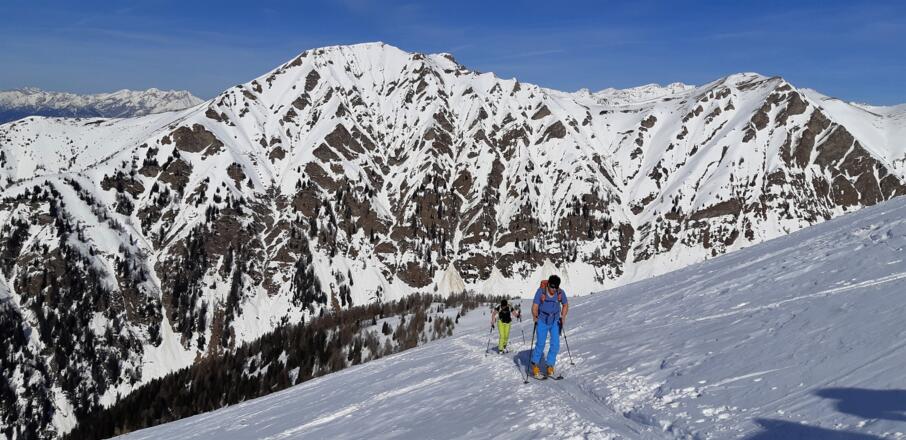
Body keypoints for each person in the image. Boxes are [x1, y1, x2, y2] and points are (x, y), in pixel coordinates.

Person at [531, 275, 568, 379]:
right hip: (542, 320)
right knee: (541, 343)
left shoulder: (560, 293)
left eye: (556, 287)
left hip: (555, 320)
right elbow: (535, 306)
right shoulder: (541, 292)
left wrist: (563, 316)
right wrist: (535, 316)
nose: (554, 289)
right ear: (548, 284)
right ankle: (535, 365)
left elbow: (565, 304)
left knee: (555, 344)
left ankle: (550, 366)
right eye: (552, 286)